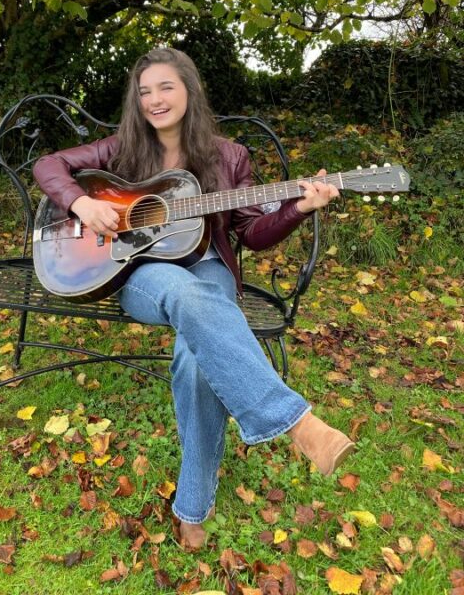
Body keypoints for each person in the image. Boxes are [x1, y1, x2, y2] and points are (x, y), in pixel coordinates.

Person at [33, 47, 355, 551]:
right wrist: (81, 201)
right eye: (145, 92)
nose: (155, 100)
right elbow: (48, 164)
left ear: (190, 90)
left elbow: (251, 234)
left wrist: (298, 208)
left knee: (199, 355)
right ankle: (298, 424)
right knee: (183, 291)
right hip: (142, 274)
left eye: (166, 87)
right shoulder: (121, 148)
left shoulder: (229, 157)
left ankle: (193, 505)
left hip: (209, 271)